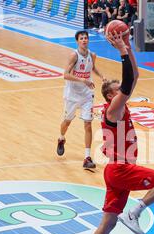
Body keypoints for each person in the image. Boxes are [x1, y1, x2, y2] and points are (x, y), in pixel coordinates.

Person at [74, 31, 154, 234]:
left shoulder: (120, 105)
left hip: (115, 170)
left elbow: (135, 76)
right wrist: (121, 51)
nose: (124, 90)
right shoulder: (113, 109)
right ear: (110, 95)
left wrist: (129, 46)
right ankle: (136, 211)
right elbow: (130, 80)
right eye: (118, 89)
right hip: (121, 169)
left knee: (108, 223)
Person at [57, 30, 105, 169]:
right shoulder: (74, 55)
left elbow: (93, 68)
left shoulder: (92, 55)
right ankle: (61, 138)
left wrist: (102, 76)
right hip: (72, 94)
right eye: (81, 38)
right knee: (67, 122)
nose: (84, 40)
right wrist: (83, 79)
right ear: (77, 41)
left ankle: (87, 157)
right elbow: (65, 75)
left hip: (86, 94)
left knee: (88, 124)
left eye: (86, 38)